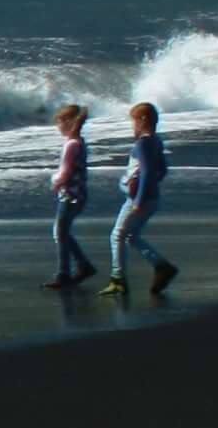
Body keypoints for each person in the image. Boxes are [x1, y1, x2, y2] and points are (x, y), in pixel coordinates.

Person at [104, 99, 177, 296]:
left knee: (117, 236)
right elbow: (162, 170)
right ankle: (161, 266)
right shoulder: (156, 141)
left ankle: (118, 279)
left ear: (143, 120)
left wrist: (138, 199)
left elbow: (145, 172)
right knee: (131, 237)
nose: (132, 125)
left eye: (134, 120)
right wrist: (150, 186)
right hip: (152, 199)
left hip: (138, 201)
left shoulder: (143, 144)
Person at [47, 102, 95, 284]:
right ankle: (82, 265)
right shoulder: (80, 142)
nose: (58, 127)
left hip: (70, 195)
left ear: (67, 122)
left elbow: (65, 172)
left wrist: (55, 180)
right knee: (63, 232)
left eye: (59, 122)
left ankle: (64, 273)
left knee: (60, 232)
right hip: (79, 194)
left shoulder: (71, 145)